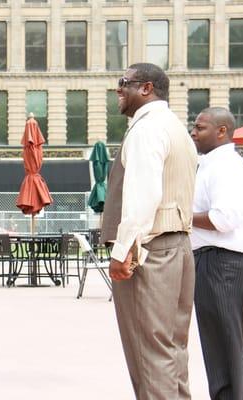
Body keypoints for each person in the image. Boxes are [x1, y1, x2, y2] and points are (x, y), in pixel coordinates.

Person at [100, 63, 198, 399]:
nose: (118, 91)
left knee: (149, 357)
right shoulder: (176, 128)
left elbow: (143, 196)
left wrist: (122, 251)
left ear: (146, 88)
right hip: (179, 247)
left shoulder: (146, 129)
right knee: (172, 351)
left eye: (123, 83)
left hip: (150, 252)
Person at [190, 107, 243, 399]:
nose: (193, 132)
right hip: (217, 261)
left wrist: (180, 215)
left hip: (221, 262)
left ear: (222, 131)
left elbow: (222, 219)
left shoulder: (226, 167)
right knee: (225, 344)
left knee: (225, 345)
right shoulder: (211, 164)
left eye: (200, 127)